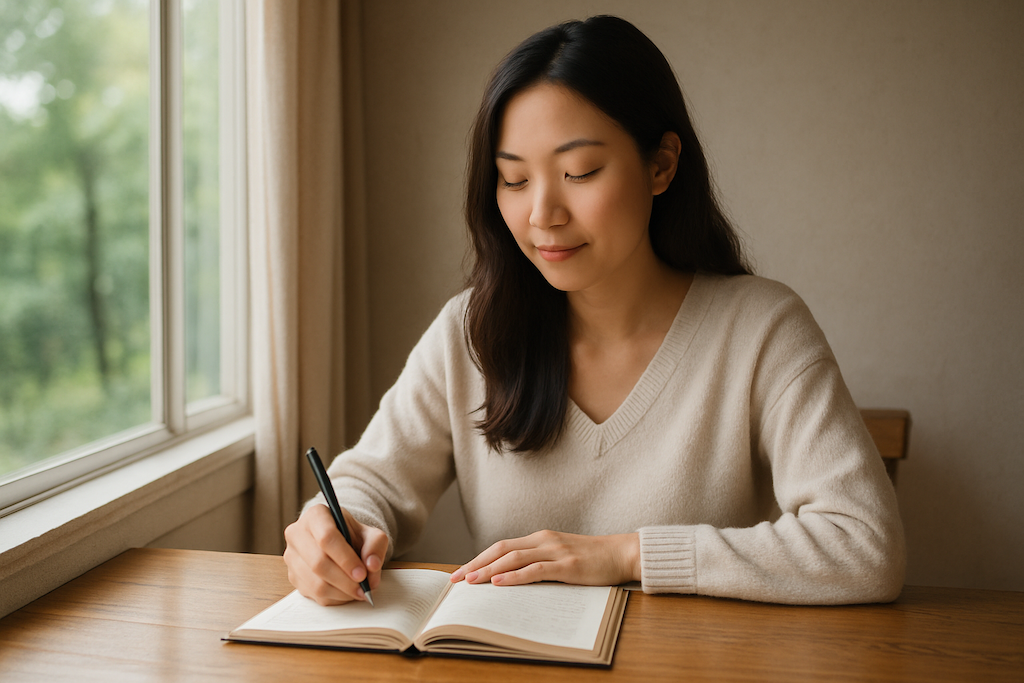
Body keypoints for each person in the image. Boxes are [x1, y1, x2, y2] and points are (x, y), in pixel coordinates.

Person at [283, 15, 905, 606]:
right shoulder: (471, 331)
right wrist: (329, 527)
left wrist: (625, 556)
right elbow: (370, 483)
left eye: (580, 172)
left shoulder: (761, 330)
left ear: (661, 164)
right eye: (515, 180)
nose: (542, 215)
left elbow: (865, 545)